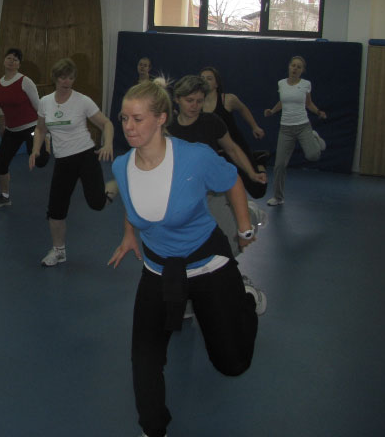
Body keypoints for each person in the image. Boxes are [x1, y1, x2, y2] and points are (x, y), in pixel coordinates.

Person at [108, 80, 259, 437]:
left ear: (161, 118)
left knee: (231, 363)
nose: (128, 126)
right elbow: (132, 203)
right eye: (124, 118)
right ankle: (153, 428)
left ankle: (248, 302)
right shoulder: (122, 166)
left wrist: (244, 229)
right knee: (145, 358)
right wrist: (129, 235)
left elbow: (232, 181)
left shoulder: (195, 157)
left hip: (208, 264)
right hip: (158, 268)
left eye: (138, 119)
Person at [167, 75, 268, 312]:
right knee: (185, 250)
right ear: (177, 99)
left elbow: (232, 149)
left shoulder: (211, 122)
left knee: (228, 243)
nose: (195, 106)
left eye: (199, 101)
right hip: (184, 200)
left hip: (213, 193)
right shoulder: (168, 128)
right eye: (190, 101)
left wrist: (251, 173)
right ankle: (189, 299)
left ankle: (236, 278)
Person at [29, 57, 116, 266]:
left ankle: (116, 185)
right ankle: (59, 251)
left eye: (70, 78)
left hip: (85, 156)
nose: (66, 82)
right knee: (55, 210)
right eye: (62, 77)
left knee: (97, 203)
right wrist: (35, 150)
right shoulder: (45, 102)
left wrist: (108, 144)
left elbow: (106, 123)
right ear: (55, 79)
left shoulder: (83, 101)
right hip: (63, 161)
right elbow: (40, 129)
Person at [263, 55, 327, 206]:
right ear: (289, 67)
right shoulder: (281, 83)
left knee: (313, 155)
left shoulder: (305, 84)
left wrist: (318, 112)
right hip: (285, 129)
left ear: (302, 70)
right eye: (293, 66)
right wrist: (272, 111)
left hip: (303, 126)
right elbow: (282, 102)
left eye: (299, 67)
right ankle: (278, 197)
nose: (295, 69)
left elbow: (308, 103)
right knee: (279, 165)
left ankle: (315, 138)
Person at [0, 47, 49, 208]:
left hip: (31, 127)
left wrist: (44, 129)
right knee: (1, 163)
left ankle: (47, 141)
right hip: (12, 130)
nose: (11, 61)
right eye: (9, 58)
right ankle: (4, 196)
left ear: (19, 64)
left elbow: (38, 106)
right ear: (4, 61)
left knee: (40, 161)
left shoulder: (25, 81)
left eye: (15, 59)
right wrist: (3, 126)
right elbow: (2, 108)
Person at [201, 66, 270, 190]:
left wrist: (255, 127)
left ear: (216, 84)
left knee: (257, 189)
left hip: (235, 145)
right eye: (202, 78)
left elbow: (243, 109)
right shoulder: (197, 104)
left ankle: (259, 161)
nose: (205, 81)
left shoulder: (228, 99)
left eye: (209, 78)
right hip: (216, 151)